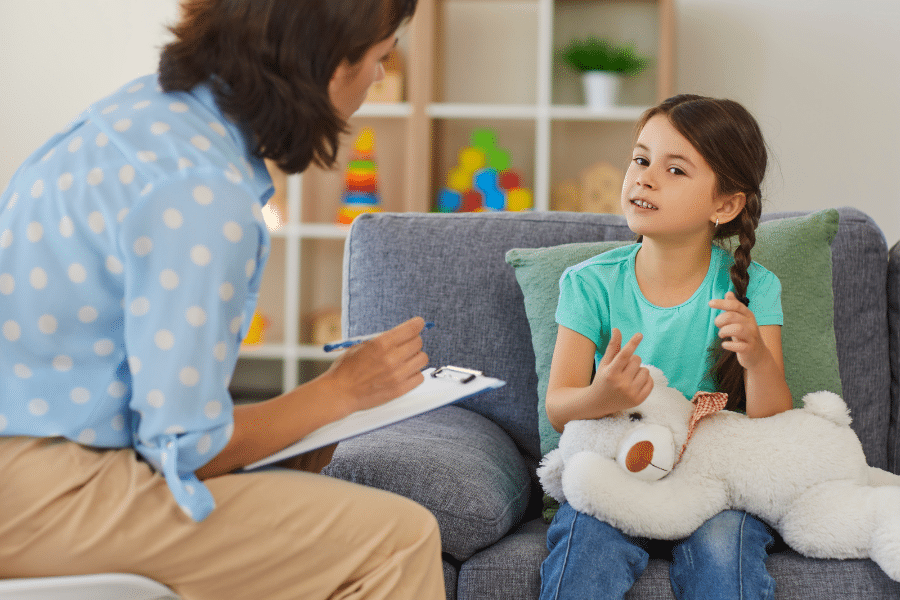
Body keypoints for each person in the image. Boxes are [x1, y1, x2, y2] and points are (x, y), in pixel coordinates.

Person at [0, 1, 446, 598]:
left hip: (38, 466)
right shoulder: (204, 192)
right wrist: (341, 391)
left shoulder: (140, 117)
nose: (380, 78)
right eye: (380, 57)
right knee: (399, 537)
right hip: (42, 491)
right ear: (331, 64)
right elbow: (187, 447)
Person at [540, 94, 794, 600]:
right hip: (617, 470)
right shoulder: (590, 284)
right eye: (640, 159)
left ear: (725, 205)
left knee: (728, 547)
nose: (645, 177)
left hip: (713, 484)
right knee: (584, 543)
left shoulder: (755, 289)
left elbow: (774, 421)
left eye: (675, 170)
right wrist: (603, 397)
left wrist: (757, 359)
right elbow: (559, 408)